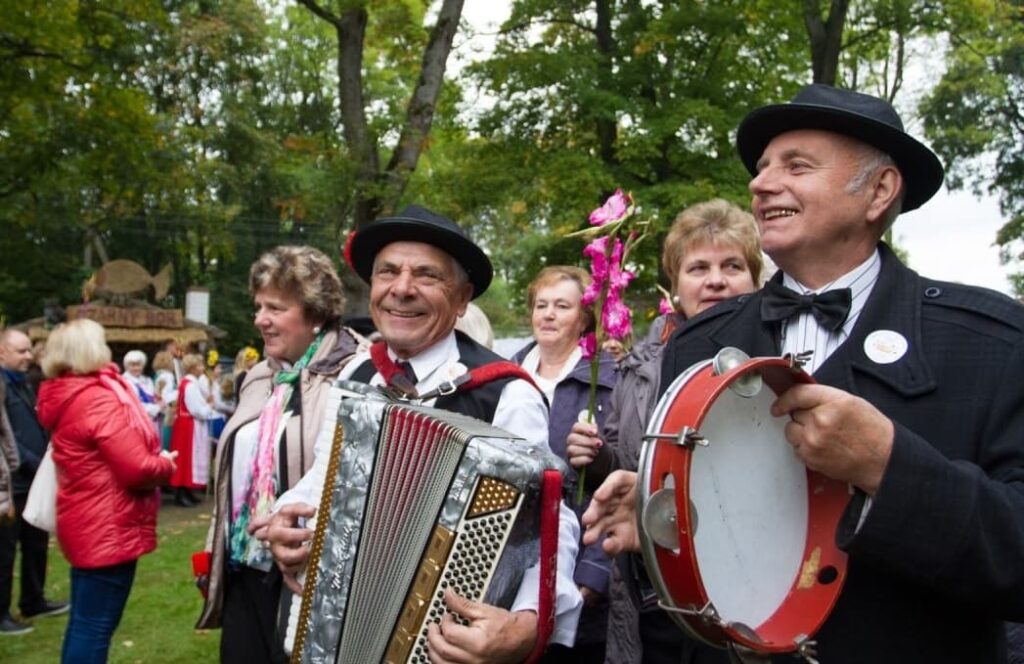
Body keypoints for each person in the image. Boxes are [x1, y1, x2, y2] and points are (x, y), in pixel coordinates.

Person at [583, 84, 1024, 663]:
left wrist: (889, 467)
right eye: (763, 168)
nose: (761, 184)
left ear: (879, 191)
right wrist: (661, 521)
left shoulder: (989, 341)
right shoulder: (699, 342)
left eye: (797, 166)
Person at [267, 205, 583, 662]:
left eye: (427, 275)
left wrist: (528, 623)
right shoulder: (357, 374)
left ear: (461, 299)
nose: (402, 289)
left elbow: (553, 524)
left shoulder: (504, 392)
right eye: (387, 272)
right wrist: (288, 519)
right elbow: (322, 478)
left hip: (444, 643)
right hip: (338, 631)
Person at [567, 199, 762, 663]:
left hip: (751, 594)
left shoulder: (775, 361)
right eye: (698, 267)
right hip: (656, 601)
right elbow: (625, 464)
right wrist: (596, 459)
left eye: (731, 265)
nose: (715, 279)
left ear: (755, 278)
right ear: (675, 285)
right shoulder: (638, 367)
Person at [195, 245, 361, 664]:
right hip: (245, 566)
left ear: (316, 312)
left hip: (307, 578)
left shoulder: (354, 374)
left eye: (275, 307)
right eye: (258, 307)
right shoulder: (259, 376)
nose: (259, 320)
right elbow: (237, 470)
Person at [35, 319, 177, 663]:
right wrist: (166, 466)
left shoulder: (67, 392)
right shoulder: (95, 399)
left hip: (86, 520)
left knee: (83, 623)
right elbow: (136, 468)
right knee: (95, 629)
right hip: (107, 527)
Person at [511, 266, 618, 662]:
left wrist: (593, 577)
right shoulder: (505, 377)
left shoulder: (608, 381)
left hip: (579, 570)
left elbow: (618, 483)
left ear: (584, 318)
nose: (549, 314)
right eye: (542, 305)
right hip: (513, 568)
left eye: (562, 305)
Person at [0, 329, 68, 636]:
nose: (28, 356)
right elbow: (8, 436)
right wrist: (34, 461)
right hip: (12, 483)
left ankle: (33, 599)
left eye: (29, 350)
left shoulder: (26, 383)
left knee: (36, 542)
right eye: (21, 351)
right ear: (2, 352)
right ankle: (2, 613)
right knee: (5, 550)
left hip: (33, 479)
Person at [168, 353, 216, 507]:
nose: (203, 368)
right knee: (187, 458)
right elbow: (196, 409)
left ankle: (187, 490)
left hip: (187, 424)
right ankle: (181, 492)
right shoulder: (190, 385)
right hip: (189, 425)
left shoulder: (188, 383)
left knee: (187, 458)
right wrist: (209, 407)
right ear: (193, 368)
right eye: (200, 365)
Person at [121, 350, 162, 436]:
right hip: (137, 423)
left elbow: (154, 397)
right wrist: (157, 408)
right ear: (127, 367)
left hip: (153, 421)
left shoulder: (148, 380)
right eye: (133, 365)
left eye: (138, 365)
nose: (136, 368)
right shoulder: (124, 382)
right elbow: (134, 405)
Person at [152, 350, 177, 451]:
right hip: (168, 411)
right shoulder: (168, 376)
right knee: (166, 439)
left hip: (159, 410)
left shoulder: (157, 375)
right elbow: (168, 397)